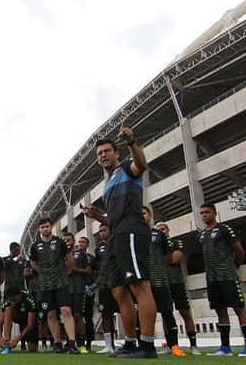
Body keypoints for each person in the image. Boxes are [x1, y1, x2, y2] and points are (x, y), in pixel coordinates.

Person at [82, 124, 158, 359]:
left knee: (139, 286)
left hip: (132, 232)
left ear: (116, 153)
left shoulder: (127, 168)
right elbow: (113, 218)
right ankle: (129, 342)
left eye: (106, 151)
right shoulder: (108, 184)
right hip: (116, 236)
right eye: (99, 154)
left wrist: (131, 141)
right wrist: (97, 216)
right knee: (119, 292)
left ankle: (147, 345)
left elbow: (142, 165)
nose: (103, 155)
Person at [199, 202, 246, 357]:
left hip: (227, 276)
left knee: (239, 308)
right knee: (220, 310)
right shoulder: (202, 234)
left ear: (214, 213)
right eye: (202, 213)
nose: (204, 215)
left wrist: (234, 267)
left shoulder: (224, 229)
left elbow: (239, 250)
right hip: (212, 277)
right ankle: (225, 348)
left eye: (207, 212)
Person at [29, 217, 79, 354]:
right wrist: (43, 272)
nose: (45, 229)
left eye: (47, 226)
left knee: (66, 311)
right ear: (39, 229)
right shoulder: (35, 246)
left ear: (51, 227)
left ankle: (72, 343)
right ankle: (57, 343)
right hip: (45, 286)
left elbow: (69, 259)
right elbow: (33, 263)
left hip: (61, 283)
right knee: (50, 314)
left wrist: (66, 270)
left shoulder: (60, 242)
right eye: (42, 227)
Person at [140, 211, 185, 357]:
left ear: (150, 216)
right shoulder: (133, 234)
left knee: (167, 312)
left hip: (159, 279)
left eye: (144, 213)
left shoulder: (159, 234)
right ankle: (144, 345)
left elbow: (168, 256)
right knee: (141, 314)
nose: (142, 215)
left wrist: (157, 266)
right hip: (141, 282)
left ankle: (174, 345)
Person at [154, 221, 201, 355]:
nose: (161, 232)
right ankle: (170, 345)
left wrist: (159, 259)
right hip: (162, 283)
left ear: (168, 230)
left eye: (163, 229)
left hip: (176, 282)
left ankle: (193, 345)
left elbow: (174, 259)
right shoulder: (155, 247)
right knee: (165, 314)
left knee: (185, 312)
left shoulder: (175, 243)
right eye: (159, 230)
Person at [91, 223, 118, 354]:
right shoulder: (98, 248)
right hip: (104, 286)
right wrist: (96, 283)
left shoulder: (117, 242)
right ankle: (109, 344)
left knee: (124, 312)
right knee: (105, 314)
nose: (102, 233)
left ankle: (132, 341)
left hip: (119, 283)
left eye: (104, 230)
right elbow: (98, 268)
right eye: (100, 231)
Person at [63, 232, 92, 354]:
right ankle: (70, 343)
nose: (67, 242)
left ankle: (82, 344)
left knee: (78, 315)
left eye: (69, 240)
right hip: (64, 289)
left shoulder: (82, 254)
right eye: (65, 241)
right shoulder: (60, 255)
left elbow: (89, 271)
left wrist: (74, 270)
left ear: (73, 241)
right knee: (66, 316)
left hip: (79, 289)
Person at [0, 286, 39, 354]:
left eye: (15, 300)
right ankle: (7, 343)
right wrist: (0, 338)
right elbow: (0, 324)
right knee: (8, 309)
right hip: (16, 316)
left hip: (27, 321)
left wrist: (17, 340)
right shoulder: (7, 302)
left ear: (20, 295)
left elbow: (30, 325)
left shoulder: (29, 300)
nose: (13, 303)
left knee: (32, 349)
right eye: (11, 300)